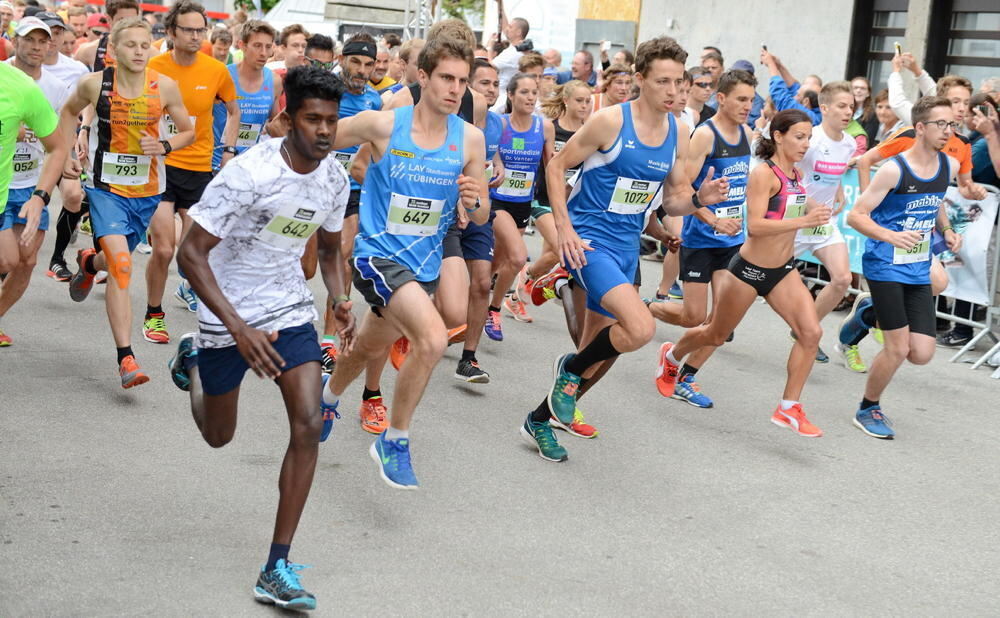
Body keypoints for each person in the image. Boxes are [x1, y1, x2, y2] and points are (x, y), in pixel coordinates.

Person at [169, 65, 352, 611]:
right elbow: (190, 254)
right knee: (218, 436)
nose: (324, 131)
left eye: (331, 121)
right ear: (286, 119)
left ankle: (277, 565)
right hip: (226, 307)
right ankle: (197, 363)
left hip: (287, 304)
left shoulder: (333, 179)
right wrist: (236, 328)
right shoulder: (247, 175)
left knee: (309, 421)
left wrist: (340, 300)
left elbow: (326, 252)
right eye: (312, 119)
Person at [524, 36, 727, 461]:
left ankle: (541, 417)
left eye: (679, 83)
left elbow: (672, 199)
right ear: (639, 79)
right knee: (640, 328)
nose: (673, 92)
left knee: (598, 356)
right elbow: (557, 167)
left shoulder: (679, 130)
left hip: (625, 249)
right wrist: (563, 229)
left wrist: (699, 200)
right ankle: (568, 368)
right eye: (663, 82)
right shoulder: (610, 122)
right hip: (587, 242)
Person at [319, 35, 487, 489]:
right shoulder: (381, 124)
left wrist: (473, 199)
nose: (455, 89)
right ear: (423, 77)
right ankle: (395, 440)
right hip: (378, 257)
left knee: (370, 346)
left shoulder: (470, 138)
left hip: (424, 267)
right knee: (431, 339)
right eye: (447, 78)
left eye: (463, 82)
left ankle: (326, 398)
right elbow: (319, 135)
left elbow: (483, 211)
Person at [658, 109, 832, 438]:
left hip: (782, 270)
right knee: (715, 334)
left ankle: (788, 407)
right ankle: (671, 354)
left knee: (811, 334)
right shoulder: (763, 174)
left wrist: (815, 208)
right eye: (799, 136)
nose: (806, 144)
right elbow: (757, 227)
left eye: (809, 137)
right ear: (778, 136)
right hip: (749, 270)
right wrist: (804, 221)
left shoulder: (794, 174)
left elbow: (792, 202)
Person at [62, 16, 194, 385]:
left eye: (145, 44)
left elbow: (190, 131)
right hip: (106, 190)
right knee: (122, 266)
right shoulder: (93, 85)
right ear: (114, 50)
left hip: (148, 192)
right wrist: (70, 146)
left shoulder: (164, 87)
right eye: (131, 45)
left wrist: (165, 145)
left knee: (112, 261)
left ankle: (90, 263)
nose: (139, 51)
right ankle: (127, 358)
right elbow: (68, 112)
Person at [839, 96, 961, 439]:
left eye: (951, 125)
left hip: (918, 265)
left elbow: (935, 204)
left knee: (921, 353)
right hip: (884, 263)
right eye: (941, 124)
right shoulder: (895, 169)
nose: (948, 131)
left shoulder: (948, 167)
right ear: (920, 128)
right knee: (898, 348)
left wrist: (947, 230)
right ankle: (868, 407)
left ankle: (867, 311)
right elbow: (856, 215)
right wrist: (890, 236)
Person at [648, 69, 755, 409]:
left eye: (751, 100)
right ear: (721, 98)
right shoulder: (705, 136)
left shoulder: (748, 134)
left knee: (723, 321)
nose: (747, 106)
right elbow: (683, 190)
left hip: (731, 242)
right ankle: (644, 309)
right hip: (701, 239)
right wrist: (712, 219)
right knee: (695, 317)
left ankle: (685, 374)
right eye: (741, 99)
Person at [143, 0, 240, 343]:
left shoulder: (216, 70)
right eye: (188, 29)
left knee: (191, 252)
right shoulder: (153, 66)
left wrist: (228, 151)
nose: (196, 36)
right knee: (165, 249)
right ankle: (154, 313)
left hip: (199, 169)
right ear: (170, 32)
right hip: (160, 167)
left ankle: (189, 290)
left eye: (201, 30)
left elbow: (233, 110)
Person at [315, 32, 381, 430]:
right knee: (307, 267)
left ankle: (326, 339)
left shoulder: (374, 103)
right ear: (343, 60)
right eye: (355, 62)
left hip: (351, 195)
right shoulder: (328, 94)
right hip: (314, 189)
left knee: (342, 256)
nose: (361, 71)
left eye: (368, 65)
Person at [0, 17, 71, 346]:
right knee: (7, 258)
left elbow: (59, 138)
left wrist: (46, 189)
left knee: (24, 260)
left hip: (27, 183)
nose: (37, 46)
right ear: (14, 41)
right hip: (6, 181)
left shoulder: (51, 87)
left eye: (44, 40)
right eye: (30, 40)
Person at [485, 72, 554, 336]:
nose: (530, 97)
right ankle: (493, 310)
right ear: (511, 95)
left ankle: (475, 304)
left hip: (523, 203)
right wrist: (497, 162)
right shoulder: (499, 123)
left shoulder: (543, 127)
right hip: (496, 201)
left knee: (496, 263)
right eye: (524, 92)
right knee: (516, 257)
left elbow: (552, 167)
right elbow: (487, 155)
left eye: (534, 92)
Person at [856, 74, 986, 202]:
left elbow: (964, 186)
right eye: (956, 102)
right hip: (890, 216)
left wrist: (974, 192)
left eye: (966, 103)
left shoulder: (963, 143)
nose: (962, 108)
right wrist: (867, 203)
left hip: (926, 217)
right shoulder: (911, 134)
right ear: (941, 101)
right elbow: (865, 161)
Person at [455, 57, 505, 383]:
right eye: (483, 83)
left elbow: (490, 156)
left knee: (482, 282)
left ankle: (468, 359)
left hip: (479, 209)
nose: (491, 89)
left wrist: (497, 165)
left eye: (496, 84)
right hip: (446, 209)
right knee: (441, 286)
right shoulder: (455, 120)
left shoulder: (497, 123)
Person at [211, 19, 283, 172]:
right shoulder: (222, 76)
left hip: (250, 168)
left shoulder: (275, 81)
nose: (264, 53)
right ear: (242, 45)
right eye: (257, 46)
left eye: (268, 47)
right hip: (215, 164)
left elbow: (274, 124)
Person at [761, 49, 821, 125]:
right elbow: (794, 87)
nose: (793, 96)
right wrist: (779, 66)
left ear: (806, 102)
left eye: (797, 95)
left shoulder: (810, 118)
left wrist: (771, 64)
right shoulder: (817, 110)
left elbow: (780, 97)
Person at [74, 0, 139, 70]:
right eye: (122, 21)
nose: (128, 25)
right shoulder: (89, 50)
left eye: (132, 20)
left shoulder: (149, 53)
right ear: (108, 19)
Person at [887, 51, 937, 125]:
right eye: (956, 102)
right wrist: (916, 70)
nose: (960, 108)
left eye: (960, 101)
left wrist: (896, 71)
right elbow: (934, 92)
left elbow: (897, 104)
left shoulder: (928, 120)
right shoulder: (938, 114)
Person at [491, 0, 529, 92]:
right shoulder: (516, 48)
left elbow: (489, 67)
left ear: (518, 32)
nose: (507, 29)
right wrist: (500, 4)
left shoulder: (514, 52)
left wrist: (489, 47)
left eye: (511, 27)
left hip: (500, 96)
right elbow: (504, 26)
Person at [852, 76, 879, 141]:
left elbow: (868, 140)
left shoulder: (872, 115)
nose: (858, 91)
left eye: (863, 88)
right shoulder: (841, 111)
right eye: (855, 88)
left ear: (868, 93)